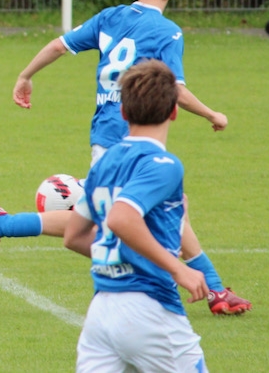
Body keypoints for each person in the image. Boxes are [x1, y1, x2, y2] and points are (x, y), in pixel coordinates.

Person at [0, 0, 251, 315]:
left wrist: (25, 76)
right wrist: (213, 113)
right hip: (133, 135)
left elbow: (58, 45)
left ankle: (1, 223)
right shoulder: (168, 32)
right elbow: (176, 89)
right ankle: (204, 287)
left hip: (105, 134)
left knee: (149, 212)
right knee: (143, 217)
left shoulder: (110, 17)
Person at [64, 59, 210, 372]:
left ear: (123, 112)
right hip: (150, 309)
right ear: (174, 111)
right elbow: (121, 218)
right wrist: (178, 269)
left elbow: (73, 236)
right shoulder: (164, 164)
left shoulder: (104, 163)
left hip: (101, 311)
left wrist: (119, 256)